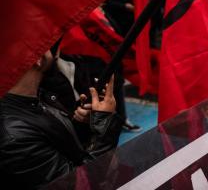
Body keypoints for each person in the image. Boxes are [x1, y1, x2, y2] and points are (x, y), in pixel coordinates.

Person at [0, 51, 122, 188]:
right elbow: (79, 184)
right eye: (45, 45)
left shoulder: (36, 97)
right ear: (37, 59)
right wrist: (105, 126)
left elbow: (62, 146)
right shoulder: (16, 137)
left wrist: (86, 124)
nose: (51, 48)